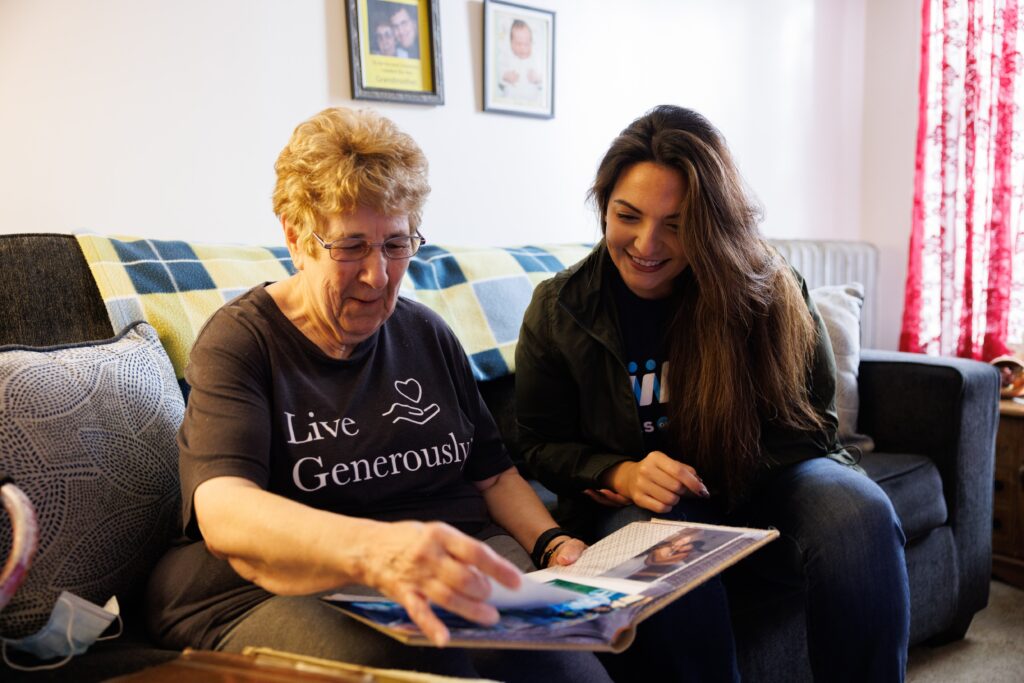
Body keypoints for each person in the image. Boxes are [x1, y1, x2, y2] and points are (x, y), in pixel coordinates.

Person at [144, 107, 611, 683]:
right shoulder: (243, 341)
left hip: (448, 557)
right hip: (278, 588)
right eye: (350, 247)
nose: (378, 275)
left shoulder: (426, 333)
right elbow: (224, 509)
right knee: (422, 664)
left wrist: (552, 543)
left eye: (396, 244)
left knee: (565, 663)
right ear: (295, 236)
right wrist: (380, 551)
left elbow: (492, 474)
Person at [515, 105, 911, 682]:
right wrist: (618, 471)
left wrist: (714, 474)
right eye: (627, 216)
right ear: (604, 207)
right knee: (673, 542)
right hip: (641, 507)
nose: (646, 244)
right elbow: (536, 445)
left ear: (711, 223)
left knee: (860, 514)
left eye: (675, 225)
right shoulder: (560, 309)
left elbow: (815, 426)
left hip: (766, 479)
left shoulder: (769, 289)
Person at [497, 19, 543, 103]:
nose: (522, 47)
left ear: (531, 43)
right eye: (518, 44)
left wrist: (537, 78)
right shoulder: (507, 57)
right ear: (511, 43)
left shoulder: (535, 59)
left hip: (532, 102)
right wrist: (505, 76)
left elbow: (545, 80)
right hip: (510, 100)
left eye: (526, 44)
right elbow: (497, 73)